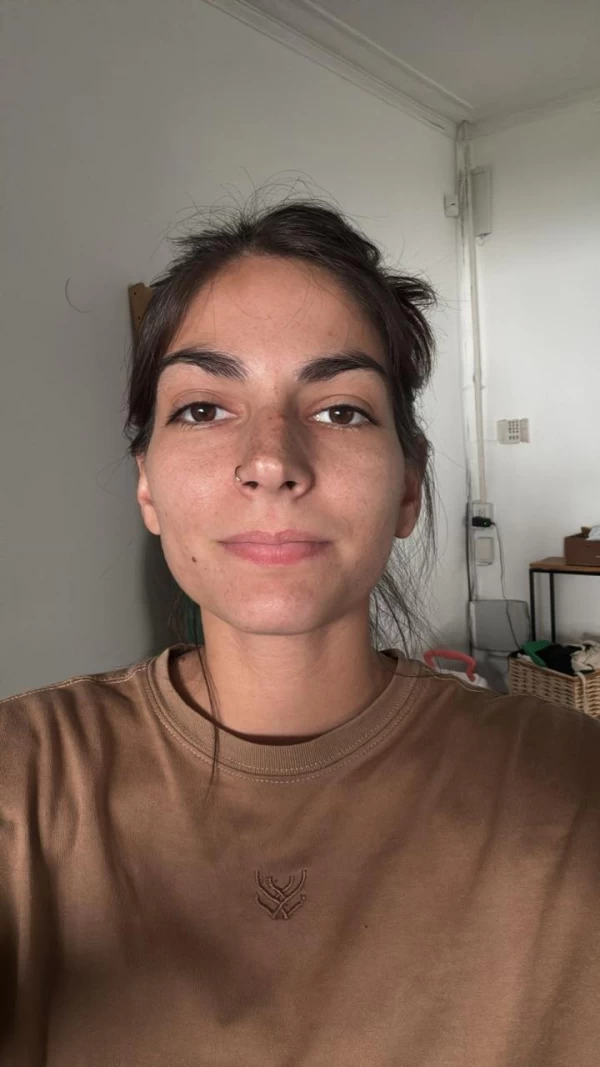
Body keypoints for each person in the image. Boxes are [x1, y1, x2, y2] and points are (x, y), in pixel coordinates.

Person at [2, 199, 600, 1067]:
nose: (272, 460)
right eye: (204, 409)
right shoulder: (24, 781)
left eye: (341, 410)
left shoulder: (571, 788)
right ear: (147, 488)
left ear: (407, 488)